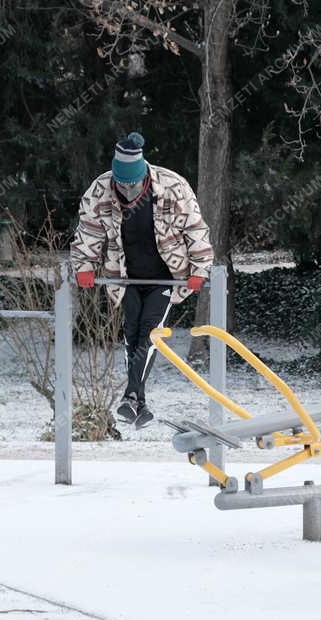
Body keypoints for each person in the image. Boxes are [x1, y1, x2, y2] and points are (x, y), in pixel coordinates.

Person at [70, 132, 213, 428]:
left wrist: (199, 270)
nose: (126, 189)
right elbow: (88, 232)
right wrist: (84, 266)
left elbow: (195, 229)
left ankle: (130, 395)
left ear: (144, 177)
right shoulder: (100, 190)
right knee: (131, 332)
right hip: (124, 276)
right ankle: (138, 403)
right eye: (121, 184)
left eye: (132, 184)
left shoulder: (173, 186)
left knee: (150, 333)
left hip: (166, 277)